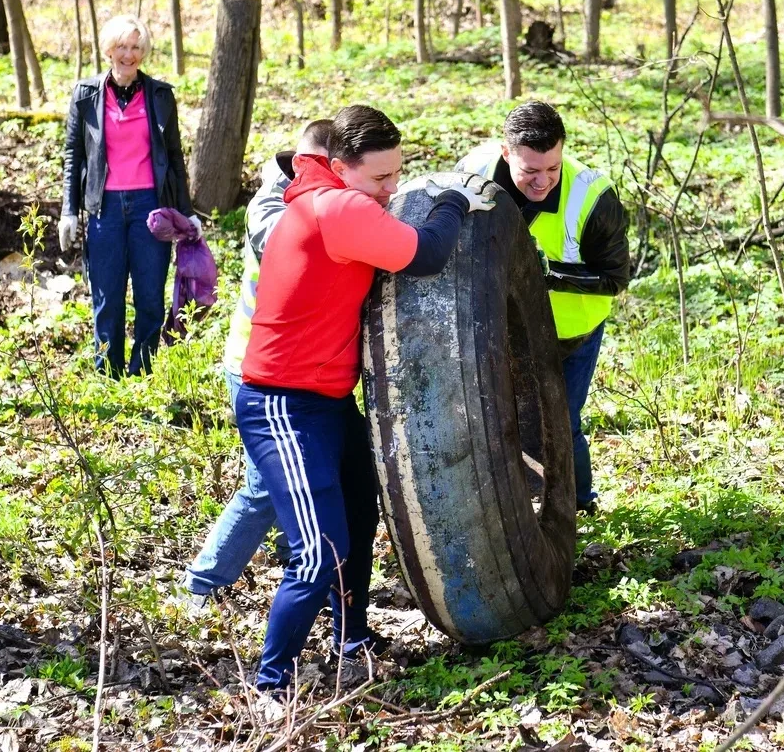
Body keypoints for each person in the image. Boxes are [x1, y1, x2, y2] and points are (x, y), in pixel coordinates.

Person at [226, 104, 493, 693]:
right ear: (341, 166)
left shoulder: (325, 198)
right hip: (281, 405)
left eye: (398, 173)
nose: (391, 188)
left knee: (357, 515)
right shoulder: (336, 207)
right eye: (380, 177)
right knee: (318, 553)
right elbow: (426, 255)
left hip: (326, 400)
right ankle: (270, 684)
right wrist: (453, 200)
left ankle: (350, 636)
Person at [181, 120, 337, 601]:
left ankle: (296, 556)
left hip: (296, 367)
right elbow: (287, 245)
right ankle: (201, 584)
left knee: (302, 472)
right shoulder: (273, 206)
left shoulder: (316, 198)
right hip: (256, 366)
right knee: (266, 485)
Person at [456, 102, 630, 514]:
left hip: (570, 335)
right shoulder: (472, 174)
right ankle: (517, 508)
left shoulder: (594, 197)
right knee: (502, 421)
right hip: (500, 330)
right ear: (505, 152)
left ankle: (580, 506)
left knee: (561, 423)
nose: (543, 181)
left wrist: (546, 274)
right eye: (530, 170)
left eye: (553, 167)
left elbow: (615, 278)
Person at [58, 15, 199, 377]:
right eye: (121, 46)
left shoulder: (160, 96)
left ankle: (141, 372)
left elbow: (175, 157)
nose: (128, 54)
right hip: (104, 208)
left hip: (150, 208)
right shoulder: (86, 94)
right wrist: (68, 210)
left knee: (150, 296)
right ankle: (108, 374)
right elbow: (74, 154)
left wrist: (187, 212)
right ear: (109, 50)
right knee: (107, 297)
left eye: (135, 47)